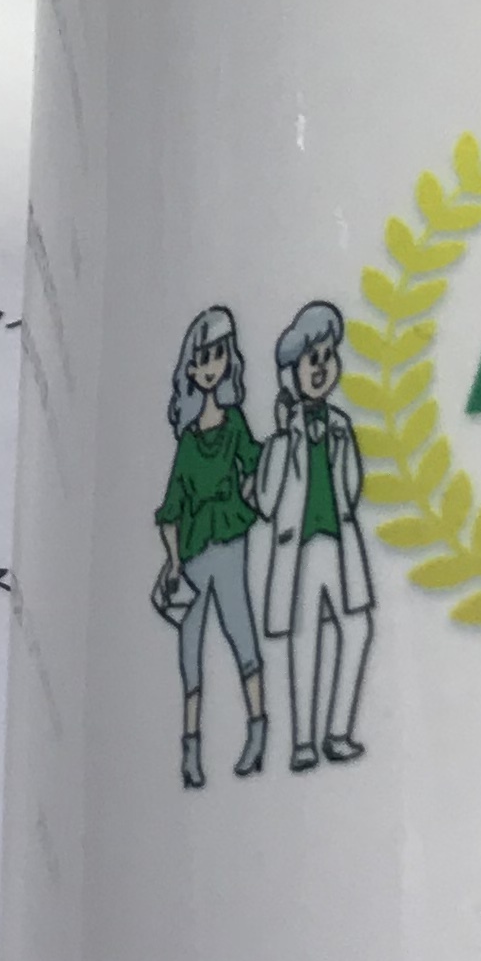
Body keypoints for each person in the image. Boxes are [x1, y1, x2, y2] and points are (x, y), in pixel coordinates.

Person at [253, 299, 374, 769]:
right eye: (311, 359)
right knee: (303, 641)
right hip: (298, 550)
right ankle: (303, 743)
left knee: (357, 628)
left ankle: (338, 732)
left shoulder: (341, 426)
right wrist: (284, 440)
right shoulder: (283, 438)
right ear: (292, 372)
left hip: (339, 545)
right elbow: (267, 501)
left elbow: (353, 485)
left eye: (327, 356)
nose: (321, 367)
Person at [152, 303, 269, 785]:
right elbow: (170, 508)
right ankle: (190, 751)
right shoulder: (186, 442)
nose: (210, 366)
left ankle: (258, 733)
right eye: (201, 359)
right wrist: (173, 562)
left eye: (217, 355)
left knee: (241, 629)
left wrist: (251, 492)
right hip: (194, 553)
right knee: (190, 649)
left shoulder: (236, 422)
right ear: (190, 369)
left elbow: (258, 463)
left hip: (231, 542)